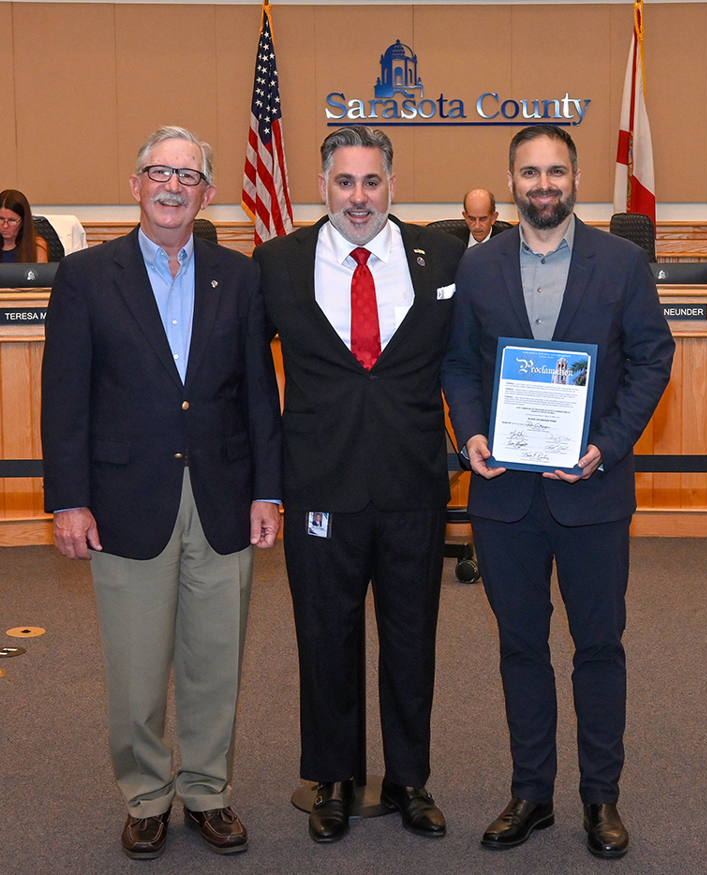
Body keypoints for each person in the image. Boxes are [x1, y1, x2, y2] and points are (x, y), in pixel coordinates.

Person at [41, 126, 282, 860]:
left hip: (222, 494)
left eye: (188, 175)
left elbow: (258, 395)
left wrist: (267, 490)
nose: (173, 186)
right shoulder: (86, 276)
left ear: (208, 193)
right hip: (122, 500)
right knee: (137, 665)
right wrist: (69, 498)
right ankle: (146, 795)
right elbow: (65, 398)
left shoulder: (239, 277)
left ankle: (208, 790)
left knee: (215, 660)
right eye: (159, 171)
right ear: (136, 183)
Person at [441, 125, 674, 859]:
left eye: (556, 172)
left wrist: (606, 442)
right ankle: (531, 792)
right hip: (504, 496)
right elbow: (458, 367)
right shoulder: (478, 268)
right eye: (530, 172)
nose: (544, 184)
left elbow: (652, 358)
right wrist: (473, 432)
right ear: (510, 180)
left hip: (592, 496)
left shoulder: (622, 262)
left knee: (599, 646)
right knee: (520, 647)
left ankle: (600, 797)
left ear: (574, 179)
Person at [254, 125, 464, 843]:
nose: (358, 197)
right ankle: (334, 777)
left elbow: (465, 356)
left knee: (413, 638)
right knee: (325, 636)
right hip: (320, 486)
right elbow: (253, 382)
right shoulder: (278, 262)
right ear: (323, 186)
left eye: (371, 182)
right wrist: (263, 483)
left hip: (413, 484)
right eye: (345, 182)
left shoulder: (443, 253)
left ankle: (410, 778)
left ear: (392, 186)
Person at [0, 189, 48, 262]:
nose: (5, 226)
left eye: (12, 220)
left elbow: (41, 273)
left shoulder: (36, 247)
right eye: (1, 219)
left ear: (23, 221)